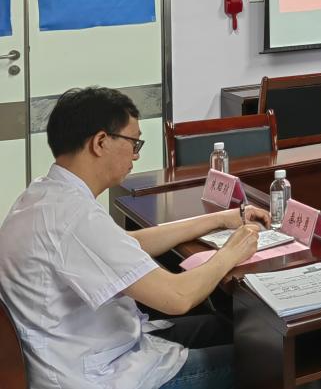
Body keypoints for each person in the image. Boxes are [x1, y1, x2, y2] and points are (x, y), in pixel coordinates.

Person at [0, 87, 270, 389]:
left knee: (226, 326)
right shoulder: (74, 218)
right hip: (94, 376)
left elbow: (126, 244)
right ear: (100, 142)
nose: (137, 155)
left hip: (87, 348)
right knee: (265, 358)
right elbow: (177, 297)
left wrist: (218, 219)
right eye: (133, 142)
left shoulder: (44, 194)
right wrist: (232, 252)